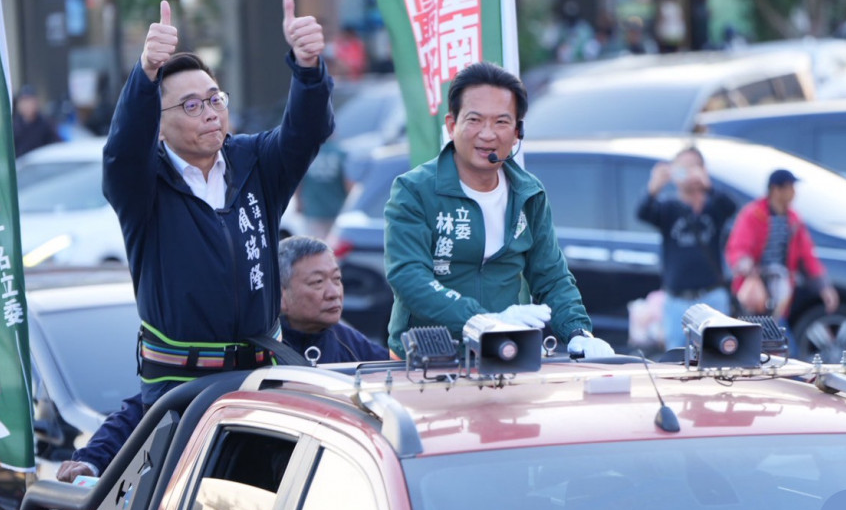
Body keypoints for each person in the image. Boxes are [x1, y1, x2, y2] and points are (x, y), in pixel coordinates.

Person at [103, 0, 334, 406]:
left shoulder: (254, 161)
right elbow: (122, 152)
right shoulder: (142, 185)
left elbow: (306, 133)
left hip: (261, 379)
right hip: (179, 387)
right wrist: (147, 71)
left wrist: (308, 67)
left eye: (214, 99)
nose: (210, 113)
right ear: (158, 125)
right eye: (191, 105)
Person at [56, 236, 386, 481]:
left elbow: (396, 388)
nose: (334, 291)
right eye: (317, 282)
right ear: (278, 295)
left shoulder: (350, 344)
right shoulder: (241, 347)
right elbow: (153, 406)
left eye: (337, 279)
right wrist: (92, 460)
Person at [383, 61, 613, 359]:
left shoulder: (528, 193)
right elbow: (408, 276)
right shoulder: (414, 190)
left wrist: (578, 332)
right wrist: (480, 321)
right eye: (475, 120)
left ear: (517, 132)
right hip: (425, 359)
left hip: (506, 353)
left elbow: (551, 276)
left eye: (501, 122)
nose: (488, 134)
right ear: (452, 126)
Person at [637, 146, 736, 350]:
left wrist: (708, 186)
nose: (689, 174)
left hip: (713, 296)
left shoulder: (713, 207)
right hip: (678, 301)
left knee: (720, 355)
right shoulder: (668, 209)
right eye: (682, 169)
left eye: (694, 167)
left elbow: (731, 207)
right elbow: (643, 212)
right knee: (677, 357)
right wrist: (654, 187)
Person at [725, 169, 838, 335]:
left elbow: (807, 257)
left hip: (779, 291)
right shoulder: (753, 215)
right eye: (789, 187)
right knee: (752, 334)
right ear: (776, 190)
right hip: (755, 288)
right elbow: (738, 247)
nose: (793, 193)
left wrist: (824, 287)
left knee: (777, 336)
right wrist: (746, 265)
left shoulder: (793, 219)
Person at [294, 138, 353, 238]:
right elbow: (348, 183)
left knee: (313, 244)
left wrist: (298, 202)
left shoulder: (307, 152)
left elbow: (298, 181)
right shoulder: (341, 153)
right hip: (337, 208)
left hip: (313, 209)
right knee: (333, 244)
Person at [12, 84, 61, 157]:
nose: (27, 105)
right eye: (24, 102)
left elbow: (56, 146)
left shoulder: (46, 124)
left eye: (30, 102)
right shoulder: (14, 126)